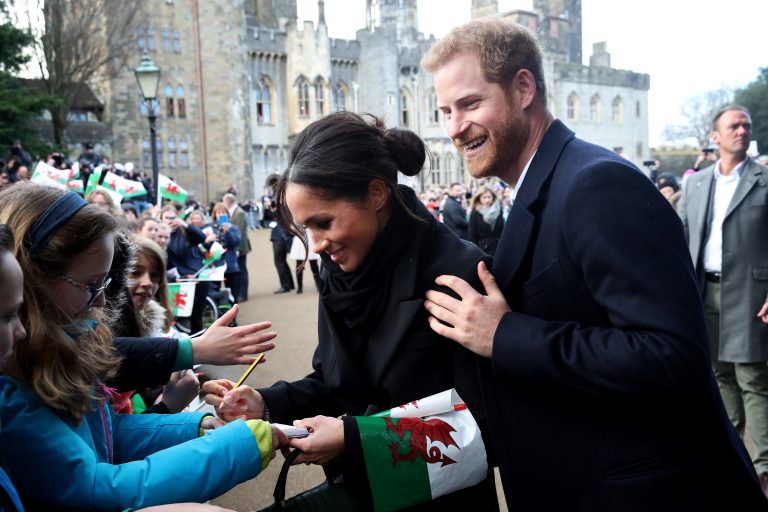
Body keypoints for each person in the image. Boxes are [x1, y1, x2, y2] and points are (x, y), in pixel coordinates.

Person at [419, 18, 766, 509]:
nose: (454, 128)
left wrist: (505, 335)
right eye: (445, 111)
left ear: (523, 89)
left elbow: (672, 357)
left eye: (470, 104)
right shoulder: (545, 185)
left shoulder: (597, 184)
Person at [203, 112, 499, 511]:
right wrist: (266, 403)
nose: (316, 245)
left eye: (323, 223)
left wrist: (353, 438)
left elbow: (485, 428)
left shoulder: (460, 272)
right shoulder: (338, 269)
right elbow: (336, 380)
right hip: (360, 488)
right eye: (305, 228)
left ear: (376, 194)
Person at [0, 183, 286, 510]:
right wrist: (237, 446)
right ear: (33, 278)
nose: (102, 300)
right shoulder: (11, 390)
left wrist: (199, 427)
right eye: (90, 284)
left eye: (105, 283)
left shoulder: (66, 343)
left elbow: (108, 436)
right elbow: (93, 488)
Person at [677, 105, 768, 495]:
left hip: (751, 292)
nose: (742, 131)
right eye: (734, 126)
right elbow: (681, 237)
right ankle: (732, 458)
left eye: (746, 125)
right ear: (715, 137)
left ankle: (763, 470)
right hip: (704, 290)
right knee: (718, 375)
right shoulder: (696, 184)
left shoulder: (764, 180)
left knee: (752, 378)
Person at [211, 202, 243, 303]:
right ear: (215, 215)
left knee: (233, 296)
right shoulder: (210, 228)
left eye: (223, 212)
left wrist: (227, 232)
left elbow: (235, 242)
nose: (221, 215)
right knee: (214, 295)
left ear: (228, 214)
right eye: (219, 213)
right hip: (214, 266)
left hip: (230, 265)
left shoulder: (233, 228)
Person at [223, 193, 251, 301]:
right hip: (236, 246)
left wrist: (238, 249)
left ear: (227, 201)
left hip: (240, 247)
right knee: (239, 271)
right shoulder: (233, 212)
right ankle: (239, 292)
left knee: (242, 270)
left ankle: (243, 294)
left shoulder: (239, 213)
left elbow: (241, 232)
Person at [467, 185, 504, 255]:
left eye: (489, 197)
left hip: (498, 247)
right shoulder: (475, 212)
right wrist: (475, 252)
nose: (487, 200)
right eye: (484, 197)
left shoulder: (499, 210)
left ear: (493, 197)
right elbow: (472, 234)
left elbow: (503, 230)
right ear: (479, 198)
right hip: (483, 249)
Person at [288, 226, 320, 294]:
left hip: (310, 240)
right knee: (299, 266)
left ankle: (319, 285)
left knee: (314, 265)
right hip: (300, 241)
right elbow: (292, 227)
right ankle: (299, 286)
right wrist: (297, 229)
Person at [269, 212, 295, 294]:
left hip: (280, 238)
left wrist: (273, 210)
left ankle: (285, 286)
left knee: (279, 263)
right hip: (283, 236)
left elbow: (275, 215)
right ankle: (290, 284)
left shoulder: (281, 208)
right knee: (282, 262)